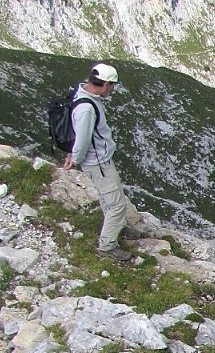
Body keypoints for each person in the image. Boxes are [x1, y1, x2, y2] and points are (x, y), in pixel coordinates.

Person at [61, 63, 145, 263]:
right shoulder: (86, 109)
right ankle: (107, 246)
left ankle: (116, 227)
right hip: (97, 163)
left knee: (109, 196)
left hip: (100, 160)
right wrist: (76, 158)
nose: (113, 90)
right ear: (105, 84)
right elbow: (82, 138)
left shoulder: (86, 97)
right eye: (112, 86)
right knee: (117, 204)